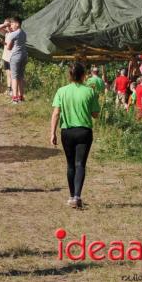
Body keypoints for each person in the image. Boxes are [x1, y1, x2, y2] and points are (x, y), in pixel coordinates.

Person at [50, 63, 100, 209]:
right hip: (84, 132)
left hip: (67, 132)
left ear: (70, 75)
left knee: (70, 164)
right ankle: (77, 196)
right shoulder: (90, 91)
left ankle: (72, 196)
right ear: (84, 75)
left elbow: (56, 113)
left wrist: (52, 132)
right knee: (80, 164)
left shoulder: (61, 91)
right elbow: (95, 114)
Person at [7, 16, 27, 104]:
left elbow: (8, 47)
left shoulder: (13, 34)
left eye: (12, 24)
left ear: (17, 24)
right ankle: (21, 97)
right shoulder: (24, 33)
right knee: (21, 77)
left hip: (15, 57)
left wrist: (9, 31)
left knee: (14, 77)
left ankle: (15, 98)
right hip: (24, 56)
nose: (11, 26)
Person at [0, 18, 13, 96]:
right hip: (6, 57)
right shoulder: (6, 33)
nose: (6, 27)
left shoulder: (13, 34)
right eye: (5, 25)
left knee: (11, 74)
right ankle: (9, 90)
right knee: (7, 74)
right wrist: (5, 24)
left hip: (11, 57)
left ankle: (13, 90)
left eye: (7, 25)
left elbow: (11, 46)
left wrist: (3, 43)